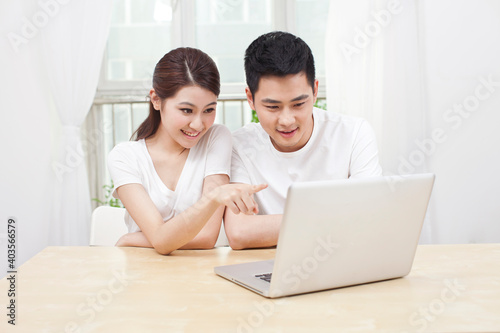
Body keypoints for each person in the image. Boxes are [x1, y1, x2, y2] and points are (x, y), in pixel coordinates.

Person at [224, 31, 383, 250]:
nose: (287, 120)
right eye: (273, 107)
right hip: (267, 268)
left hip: (342, 260)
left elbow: (370, 217)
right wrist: (340, 217)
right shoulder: (239, 146)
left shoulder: (354, 133)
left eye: (299, 104)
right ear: (250, 99)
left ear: (315, 90)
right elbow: (240, 233)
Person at [108, 47, 266, 255]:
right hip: (142, 273)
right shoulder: (125, 157)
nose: (198, 125)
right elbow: (161, 240)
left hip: (200, 274)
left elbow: (206, 237)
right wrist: (213, 198)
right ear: (156, 100)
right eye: (186, 110)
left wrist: (131, 239)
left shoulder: (216, 139)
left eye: (209, 110)